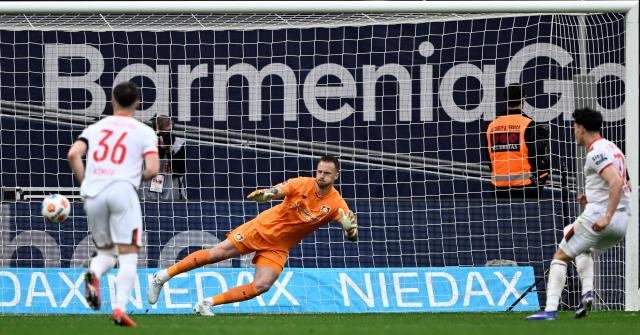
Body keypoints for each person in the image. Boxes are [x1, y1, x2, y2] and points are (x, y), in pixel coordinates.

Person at [146, 155, 358, 315]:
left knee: (262, 286)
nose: (321, 176)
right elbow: (276, 191)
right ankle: (162, 276)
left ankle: (206, 303)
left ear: (336, 176)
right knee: (217, 254)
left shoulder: (336, 204)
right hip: (261, 229)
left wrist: (349, 230)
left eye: (327, 173)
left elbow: (352, 236)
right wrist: (265, 194)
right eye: (319, 171)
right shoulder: (301, 183)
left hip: (278, 247)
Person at [67, 82, 159, 327]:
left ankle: (94, 274)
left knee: (107, 251)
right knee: (128, 256)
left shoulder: (96, 127)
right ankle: (119, 308)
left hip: (93, 193)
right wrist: (130, 178)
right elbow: (153, 169)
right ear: (138, 103)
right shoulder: (144, 131)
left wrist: (86, 183)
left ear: (112, 101)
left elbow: (73, 154)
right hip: (122, 191)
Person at [527, 108, 630, 320]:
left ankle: (550, 311)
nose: (574, 131)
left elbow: (616, 182)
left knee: (561, 255)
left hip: (602, 219)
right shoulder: (613, 148)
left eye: (575, 127)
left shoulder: (596, 153)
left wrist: (606, 216)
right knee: (581, 246)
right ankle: (588, 293)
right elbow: (622, 184)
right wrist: (592, 200)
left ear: (581, 128)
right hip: (622, 222)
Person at [486, 84, 550, 199]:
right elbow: (540, 160)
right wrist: (539, 185)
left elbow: (490, 160)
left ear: (505, 99)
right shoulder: (529, 125)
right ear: (523, 99)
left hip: (498, 190)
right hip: (526, 189)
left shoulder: (491, 126)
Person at [140, 115, 188, 201]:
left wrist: (169, 150)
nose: (167, 135)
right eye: (164, 132)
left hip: (171, 192)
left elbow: (180, 171)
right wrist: (159, 147)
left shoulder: (177, 142)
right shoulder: (145, 142)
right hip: (148, 193)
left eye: (170, 131)